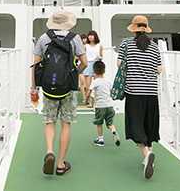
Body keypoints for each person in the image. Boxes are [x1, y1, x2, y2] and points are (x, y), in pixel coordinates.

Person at [32, 11, 87, 176]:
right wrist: (75, 73)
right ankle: (61, 164)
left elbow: (35, 66)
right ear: (67, 23)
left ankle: (50, 151)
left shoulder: (43, 38)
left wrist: (33, 88)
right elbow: (84, 62)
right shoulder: (74, 38)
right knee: (66, 124)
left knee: (49, 121)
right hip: (67, 88)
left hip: (49, 87)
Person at [119, 15, 162, 180]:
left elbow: (119, 64)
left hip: (134, 91)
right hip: (151, 92)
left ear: (134, 29)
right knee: (148, 126)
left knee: (136, 126)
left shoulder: (127, 44)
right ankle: (149, 154)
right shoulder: (154, 46)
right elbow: (159, 69)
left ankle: (147, 155)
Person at [89, 60, 120, 147]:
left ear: (94, 71)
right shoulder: (107, 81)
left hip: (100, 106)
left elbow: (89, 90)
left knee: (99, 123)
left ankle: (101, 139)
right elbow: (112, 91)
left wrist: (87, 98)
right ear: (104, 71)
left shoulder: (95, 82)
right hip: (110, 106)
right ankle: (113, 131)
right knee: (109, 123)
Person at [80, 31, 102, 105]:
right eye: (89, 35)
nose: (90, 37)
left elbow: (101, 55)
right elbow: (82, 55)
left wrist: (99, 57)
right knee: (88, 85)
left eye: (92, 35)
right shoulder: (85, 46)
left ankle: (96, 100)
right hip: (88, 64)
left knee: (97, 83)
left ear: (95, 36)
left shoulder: (99, 45)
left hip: (96, 63)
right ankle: (88, 101)